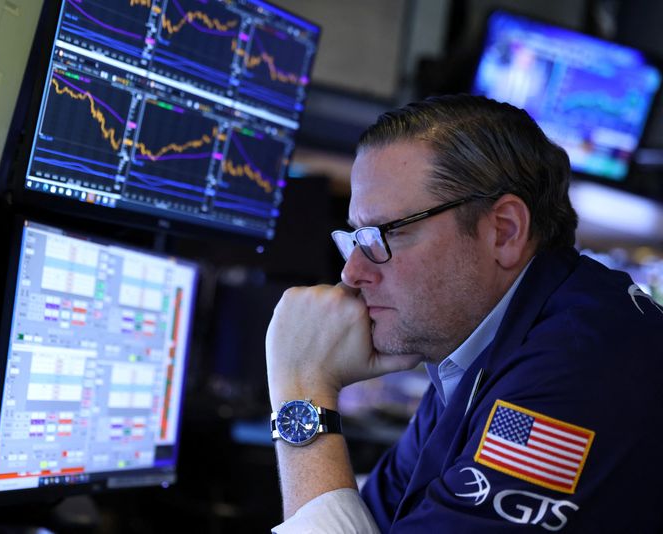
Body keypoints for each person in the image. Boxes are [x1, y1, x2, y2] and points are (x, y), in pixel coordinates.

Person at [265, 94, 663, 533]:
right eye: (357, 238)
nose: (353, 272)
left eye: (387, 234)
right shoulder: (480, 349)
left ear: (504, 231)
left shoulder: (580, 372)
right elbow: (383, 518)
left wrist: (302, 391)